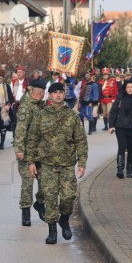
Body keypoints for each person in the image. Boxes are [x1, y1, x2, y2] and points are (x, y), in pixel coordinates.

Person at [27, 82, 88, 244]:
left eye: (61, 92)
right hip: (47, 165)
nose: (59, 95)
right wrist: (31, 162)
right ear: (50, 95)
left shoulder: (72, 116)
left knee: (68, 197)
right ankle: (52, 230)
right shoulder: (41, 115)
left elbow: (81, 141)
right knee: (50, 198)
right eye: (55, 93)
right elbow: (32, 139)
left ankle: (65, 219)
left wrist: (82, 163)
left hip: (67, 164)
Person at [14, 78, 47, 226]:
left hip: (41, 152)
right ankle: (25, 212)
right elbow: (20, 129)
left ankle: (40, 204)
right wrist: (19, 149)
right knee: (27, 183)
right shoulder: (26, 107)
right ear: (32, 91)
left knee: (44, 181)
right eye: (40, 92)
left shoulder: (41, 106)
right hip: (27, 152)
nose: (42, 95)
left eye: (43, 92)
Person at [108, 78, 132, 179]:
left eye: (131, 87)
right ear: (125, 88)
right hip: (120, 127)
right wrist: (111, 125)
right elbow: (113, 112)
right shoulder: (119, 98)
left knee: (130, 149)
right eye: (128, 87)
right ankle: (120, 169)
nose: (129, 89)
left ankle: (130, 169)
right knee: (122, 146)